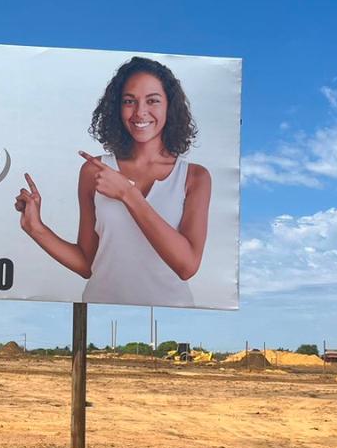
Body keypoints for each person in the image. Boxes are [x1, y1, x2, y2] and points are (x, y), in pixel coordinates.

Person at [14, 56, 211, 306]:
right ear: (117, 108)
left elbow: (187, 266)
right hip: (99, 309)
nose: (140, 112)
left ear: (169, 107)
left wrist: (128, 195)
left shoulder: (194, 176)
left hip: (173, 312)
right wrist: (36, 229)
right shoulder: (93, 171)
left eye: (152, 101)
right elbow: (87, 264)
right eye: (130, 101)